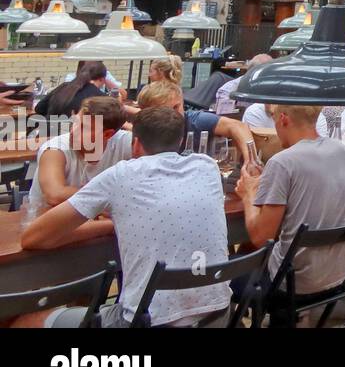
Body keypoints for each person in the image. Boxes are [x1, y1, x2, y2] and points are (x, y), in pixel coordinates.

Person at [21, 107, 233, 328]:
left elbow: (33, 238)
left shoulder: (120, 175)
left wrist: (110, 225)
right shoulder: (207, 167)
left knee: (28, 320)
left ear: (136, 143)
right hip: (216, 315)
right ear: (180, 142)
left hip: (147, 321)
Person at [236, 103, 345, 325]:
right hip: (338, 274)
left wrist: (248, 194)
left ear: (284, 119)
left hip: (292, 282)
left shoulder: (283, 162)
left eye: (274, 118)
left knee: (227, 265)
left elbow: (260, 238)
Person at [26, 97, 133, 216]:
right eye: (75, 122)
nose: (73, 131)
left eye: (84, 128)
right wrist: (110, 199)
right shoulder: (55, 149)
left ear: (107, 134)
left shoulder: (125, 142)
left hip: (93, 223)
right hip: (45, 222)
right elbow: (54, 194)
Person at [137, 58, 255, 161]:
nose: (175, 113)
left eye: (177, 107)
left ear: (179, 104)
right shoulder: (144, 130)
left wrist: (251, 160)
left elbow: (238, 127)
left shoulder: (195, 120)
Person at [35, 61, 113, 120]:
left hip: (48, 134)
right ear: (102, 79)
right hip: (75, 137)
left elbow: (39, 108)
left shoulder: (64, 86)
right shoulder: (101, 98)